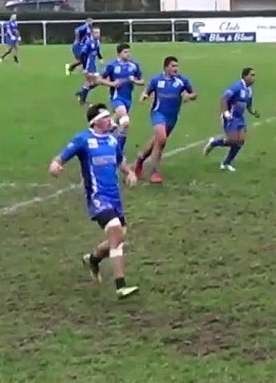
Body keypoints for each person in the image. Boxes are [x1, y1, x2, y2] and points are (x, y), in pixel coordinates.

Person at [50, 102, 139, 299]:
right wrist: (56, 164)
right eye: (106, 117)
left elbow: (119, 160)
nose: (110, 120)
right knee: (116, 231)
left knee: (118, 236)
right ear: (96, 122)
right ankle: (121, 285)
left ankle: (92, 259)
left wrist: (130, 172)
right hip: (98, 198)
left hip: (115, 197)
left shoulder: (111, 141)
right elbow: (62, 156)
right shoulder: (83, 140)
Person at [135, 56, 197, 184]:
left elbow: (194, 94)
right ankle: (154, 172)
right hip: (158, 114)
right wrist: (144, 96)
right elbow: (147, 91)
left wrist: (189, 96)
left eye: (177, 66)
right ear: (166, 67)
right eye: (173, 66)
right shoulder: (157, 80)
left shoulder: (182, 81)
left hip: (172, 117)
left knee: (157, 142)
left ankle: (140, 159)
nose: (176, 69)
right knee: (161, 139)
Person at [203, 67, 258, 171]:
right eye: (251, 75)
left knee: (240, 141)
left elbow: (249, 106)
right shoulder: (237, 87)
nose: (253, 78)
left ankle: (226, 163)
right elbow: (224, 98)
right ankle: (214, 142)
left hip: (240, 118)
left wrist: (254, 112)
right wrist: (226, 113)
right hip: (230, 117)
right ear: (245, 76)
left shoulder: (249, 91)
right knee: (232, 140)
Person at [99, 43, 144, 157]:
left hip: (128, 99)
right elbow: (99, 79)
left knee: (116, 125)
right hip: (116, 98)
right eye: (125, 52)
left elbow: (142, 81)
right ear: (119, 53)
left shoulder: (134, 65)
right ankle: (117, 151)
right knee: (125, 122)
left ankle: (105, 137)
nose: (128, 54)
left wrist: (135, 81)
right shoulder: (112, 65)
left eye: (129, 52)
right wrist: (112, 83)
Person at [75, 27, 104, 106]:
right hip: (88, 66)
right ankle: (82, 99)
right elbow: (82, 55)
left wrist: (100, 58)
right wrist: (84, 67)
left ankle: (81, 94)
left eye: (98, 33)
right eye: (96, 33)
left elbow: (97, 50)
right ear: (91, 34)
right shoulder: (89, 42)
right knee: (94, 82)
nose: (98, 34)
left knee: (93, 83)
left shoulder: (97, 41)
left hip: (93, 65)